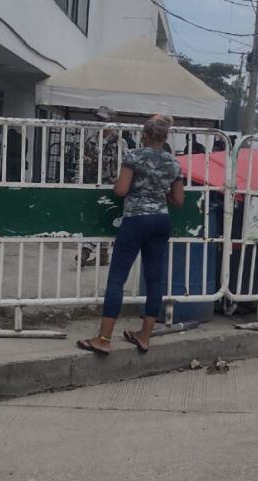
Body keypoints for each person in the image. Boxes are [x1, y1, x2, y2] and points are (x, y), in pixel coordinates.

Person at [78, 114, 184, 355]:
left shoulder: (133, 156)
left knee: (117, 278)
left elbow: (121, 189)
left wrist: (131, 188)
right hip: (161, 221)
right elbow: (178, 200)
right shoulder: (173, 163)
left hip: (136, 220)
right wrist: (160, 192)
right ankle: (144, 336)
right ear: (165, 137)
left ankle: (104, 339)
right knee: (155, 280)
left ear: (144, 135)